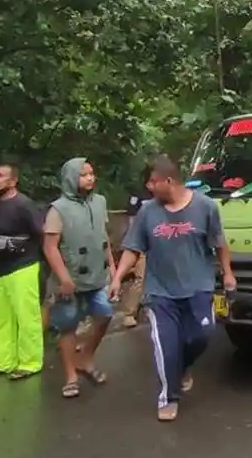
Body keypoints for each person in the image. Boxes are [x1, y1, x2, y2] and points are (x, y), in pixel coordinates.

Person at [111, 155, 235, 422]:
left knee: (201, 335)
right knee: (165, 344)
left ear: (169, 180)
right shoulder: (147, 212)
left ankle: (182, 367)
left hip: (198, 287)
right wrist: (117, 277)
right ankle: (168, 396)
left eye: (153, 182)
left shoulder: (205, 207)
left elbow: (220, 244)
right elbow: (133, 248)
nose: (149, 187)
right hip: (160, 291)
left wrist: (228, 274)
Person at [43, 157, 116, 398]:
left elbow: (104, 237)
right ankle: (71, 376)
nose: (90, 178)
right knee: (68, 327)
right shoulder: (58, 209)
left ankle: (85, 358)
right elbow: (50, 247)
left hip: (98, 275)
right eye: (84, 175)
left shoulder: (100, 202)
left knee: (105, 315)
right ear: (71, 178)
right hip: (70, 278)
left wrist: (113, 270)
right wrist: (64, 278)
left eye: (92, 173)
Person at [0, 163, 45, 380]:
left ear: (13, 181)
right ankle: (3, 362)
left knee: (27, 316)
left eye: (1, 176)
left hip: (23, 265)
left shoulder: (24, 204)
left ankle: (30, 362)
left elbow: (41, 233)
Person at [120, 164, 153, 328]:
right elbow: (132, 221)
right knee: (140, 278)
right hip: (144, 244)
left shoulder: (165, 195)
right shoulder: (139, 195)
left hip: (163, 242)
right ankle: (129, 313)